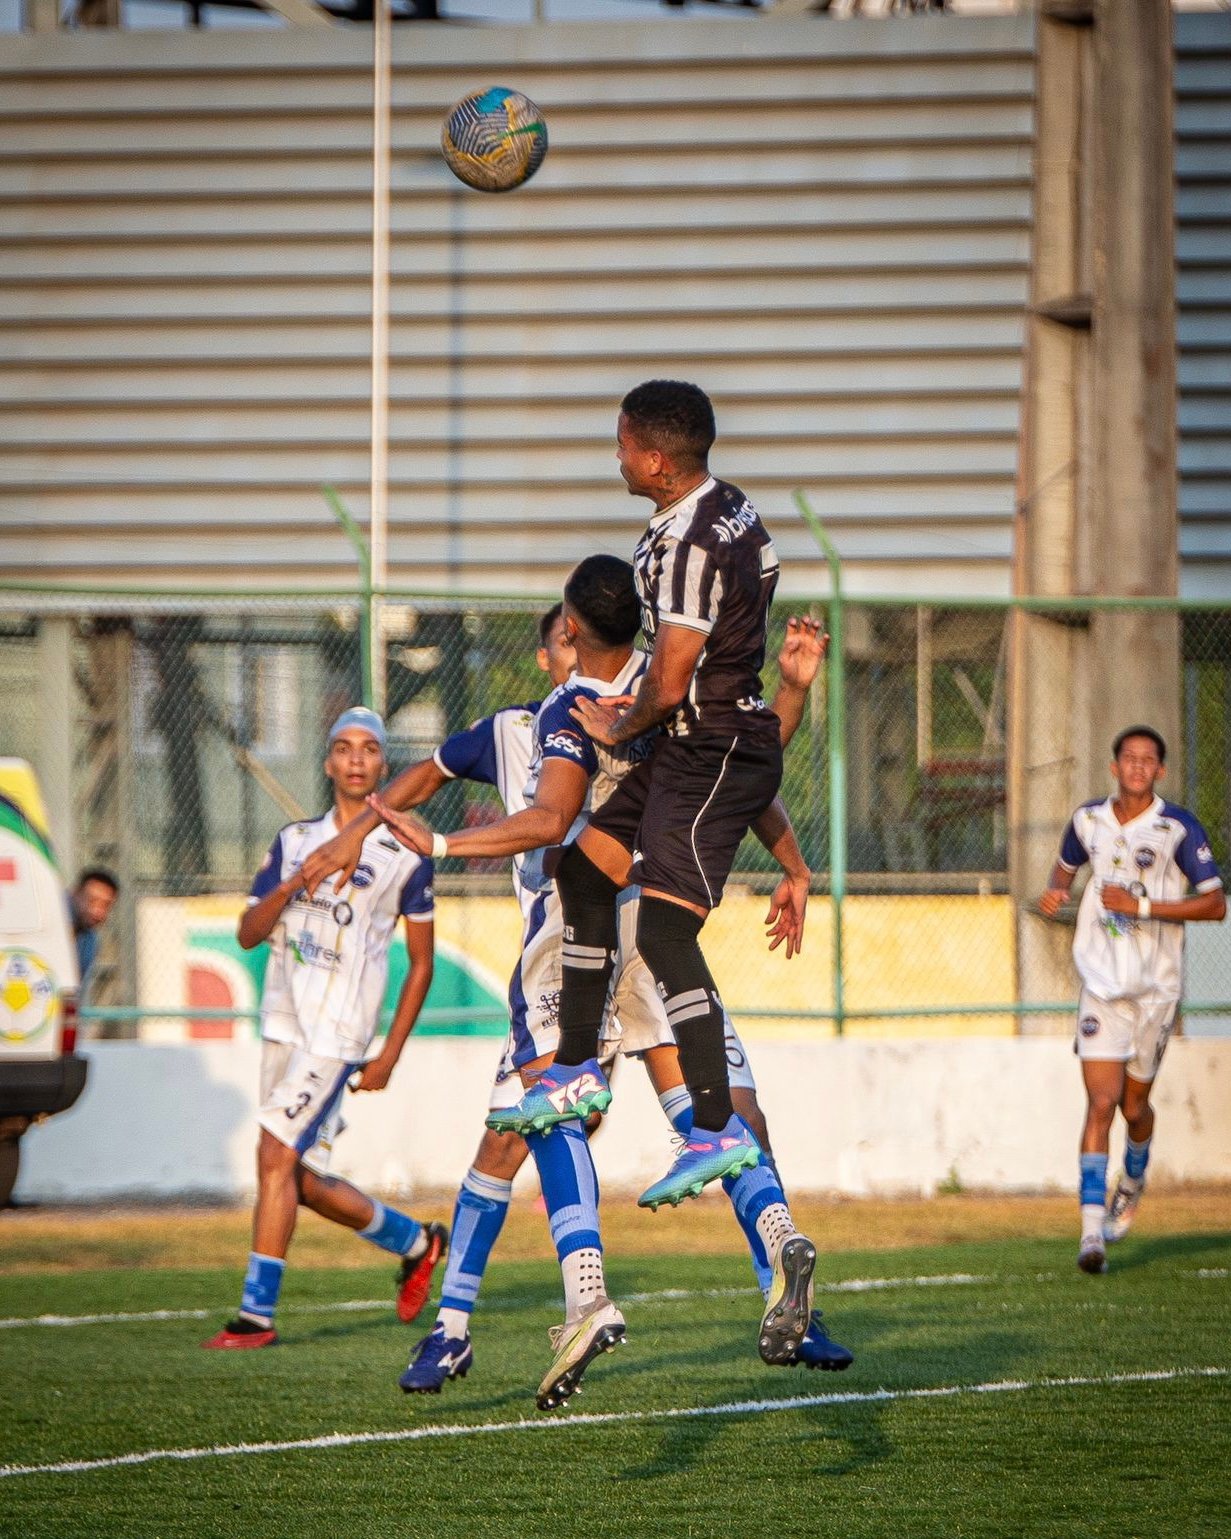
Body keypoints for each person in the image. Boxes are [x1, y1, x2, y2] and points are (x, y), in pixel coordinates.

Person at [368, 557, 851, 1408]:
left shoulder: (564, 714)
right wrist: (793, 856)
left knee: (547, 1110)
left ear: (569, 633)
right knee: (715, 1112)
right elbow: (739, 773)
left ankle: (581, 1296)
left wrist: (433, 844)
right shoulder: (671, 686)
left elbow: (550, 820)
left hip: (570, 938)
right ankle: (779, 1250)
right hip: (655, 923)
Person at [499, 381, 788, 1215]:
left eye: (622, 444)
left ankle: (714, 1125)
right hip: (688, 743)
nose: (616, 455)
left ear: (655, 461)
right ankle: (576, 1072)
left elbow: (669, 678)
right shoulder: (729, 508)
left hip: (708, 751)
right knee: (584, 875)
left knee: (662, 930)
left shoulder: (690, 545)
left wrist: (615, 720)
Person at [202, 707, 447, 1350]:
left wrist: (389, 1052)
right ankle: (416, 1242)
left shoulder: (407, 851)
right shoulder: (293, 841)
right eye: (343, 748)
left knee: (273, 1155)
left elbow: (420, 963)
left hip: (339, 1037)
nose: (357, 760)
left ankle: (256, 1316)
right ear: (328, 762)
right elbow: (249, 934)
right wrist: (294, 883)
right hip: (284, 1027)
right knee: (294, 1178)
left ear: (385, 765)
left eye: (369, 749)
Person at [1038, 724, 1225, 1275]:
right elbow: (1066, 866)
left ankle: (1133, 1177)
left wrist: (1141, 909)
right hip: (1101, 985)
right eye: (1129, 758)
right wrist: (1057, 890)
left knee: (1133, 1107)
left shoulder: (1177, 828)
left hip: (1155, 991)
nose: (1138, 767)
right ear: (1115, 766)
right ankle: (1091, 1233)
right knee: (1100, 1103)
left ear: (1160, 771)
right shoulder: (1087, 820)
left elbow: (1215, 905)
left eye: (1149, 760)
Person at [70, 867, 119, 998]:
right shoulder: (53, 927)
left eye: (106, 905)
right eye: (92, 901)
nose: (98, 911)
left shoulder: (90, 940)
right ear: (75, 894)